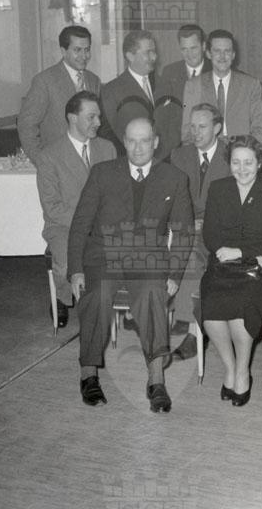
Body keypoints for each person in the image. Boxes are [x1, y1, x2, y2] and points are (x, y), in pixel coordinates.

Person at [67, 118, 193, 412]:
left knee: (151, 294)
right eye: (132, 141)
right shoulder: (102, 173)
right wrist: (76, 269)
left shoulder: (174, 178)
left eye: (145, 141)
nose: (138, 148)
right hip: (104, 255)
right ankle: (88, 373)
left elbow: (184, 231)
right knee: (97, 296)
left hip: (147, 257)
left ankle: (156, 380)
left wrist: (174, 274)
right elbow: (80, 223)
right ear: (124, 141)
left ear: (156, 142)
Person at [200, 135, 262, 406]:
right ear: (229, 163)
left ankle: (242, 372)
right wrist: (231, 253)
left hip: (259, 269)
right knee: (211, 309)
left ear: (259, 163)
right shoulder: (218, 189)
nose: (242, 168)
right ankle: (230, 367)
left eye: (248, 162)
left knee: (242, 307)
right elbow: (210, 234)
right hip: (223, 264)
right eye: (236, 162)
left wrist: (241, 252)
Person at [36, 91, 116, 328]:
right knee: (66, 264)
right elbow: (52, 207)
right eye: (91, 117)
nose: (98, 122)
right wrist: (87, 223)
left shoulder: (108, 148)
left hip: (103, 224)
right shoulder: (49, 156)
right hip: (65, 226)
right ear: (72, 118)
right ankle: (62, 297)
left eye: (99, 116)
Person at [168, 103, 230, 360]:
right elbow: (173, 197)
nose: (195, 132)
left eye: (202, 126)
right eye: (192, 126)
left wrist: (206, 223)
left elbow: (237, 201)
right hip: (187, 225)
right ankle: (186, 320)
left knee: (192, 251)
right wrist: (187, 220)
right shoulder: (179, 155)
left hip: (222, 229)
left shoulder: (232, 155)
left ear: (217, 128)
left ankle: (193, 331)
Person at [18, 26, 100, 163]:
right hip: (57, 162)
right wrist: (41, 160)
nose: (84, 56)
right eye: (77, 50)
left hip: (89, 161)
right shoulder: (45, 81)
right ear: (63, 51)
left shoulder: (94, 80)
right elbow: (26, 125)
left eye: (87, 50)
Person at [100, 30, 176, 160]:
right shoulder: (111, 91)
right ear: (130, 56)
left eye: (154, 51)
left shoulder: (165, 85)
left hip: (164, 163)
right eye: (148, 52)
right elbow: (108, 136)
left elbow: (172, 125)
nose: (154, 57)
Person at [180, 29, 262, 143]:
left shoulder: (251, 85)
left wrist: (243, 150)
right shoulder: (193, 86)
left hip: (241, 150)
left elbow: (259, 130)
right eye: (217, 51)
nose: (222, 56)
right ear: (208, 54)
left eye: (227, 51)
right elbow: (187, 132)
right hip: (206, 151)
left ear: (233, 55)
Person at [157, 24, 212, 156]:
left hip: (208, 144)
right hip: (177, 147)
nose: (189, 55)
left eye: (193, 48)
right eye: (184, 49)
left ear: (203, 46)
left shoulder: (215, 70)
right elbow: (162, 114)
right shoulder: (169, 72)